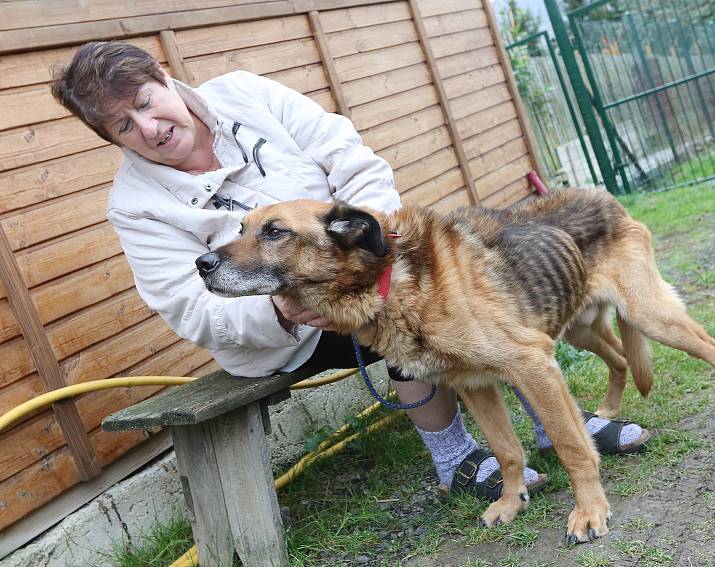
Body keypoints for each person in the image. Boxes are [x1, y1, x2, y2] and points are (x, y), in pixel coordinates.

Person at [51, 41, 649, 502]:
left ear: (163, 79)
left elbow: (350, 158)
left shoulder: (243, 94)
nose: (149, 128)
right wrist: (281, 310)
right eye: (123, 126)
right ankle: (458, 458)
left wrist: (372, 246)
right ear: (110, 139)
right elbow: (191, 309)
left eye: (146, 103)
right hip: (281, 331)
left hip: (357, 267)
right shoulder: (135, 206)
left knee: (456, 299)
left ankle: (555, 430)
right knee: (409, 317)